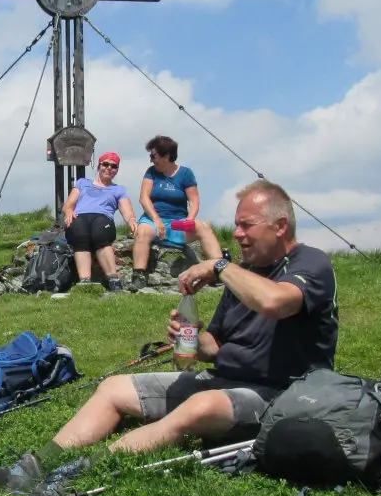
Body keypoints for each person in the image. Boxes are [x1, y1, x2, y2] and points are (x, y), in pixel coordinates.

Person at [32, 180, 337, 457]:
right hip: (222, 381)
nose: (237, 234)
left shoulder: (311, 262)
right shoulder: (244, 273)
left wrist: (219, 266)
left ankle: (90, 466)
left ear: (280, 226)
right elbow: (214, 346)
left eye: (247, 225)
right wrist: (189, 338)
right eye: (236, 225)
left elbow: (275, 303)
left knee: (199, 407)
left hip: (281, 393)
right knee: (113, 388)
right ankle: (35, 465)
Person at [62, 151, 139, 291]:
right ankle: (85, 280)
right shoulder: (82, 183)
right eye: (106, 164)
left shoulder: (118, 190)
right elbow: (69, 205)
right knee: (80, 234)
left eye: (113, 166)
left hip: (102, 218)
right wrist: (68, 211)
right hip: (80, 216)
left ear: (116, 171)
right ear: (99, 166)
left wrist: (132, 221)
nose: (109, 168)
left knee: (99, 232)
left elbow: (127, 211)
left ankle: (113, 279)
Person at [132, 135, 200, 286]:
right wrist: (157, 220)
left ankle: (218, 267)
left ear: (166, 156)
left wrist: (190, 220)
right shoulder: (151, 172)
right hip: (152, 220)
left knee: (204, 228)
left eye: (153, 156)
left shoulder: (186, 173)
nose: (151, 160)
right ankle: (138, 275)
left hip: (177, 221)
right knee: (142, 232)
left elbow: (194, 200)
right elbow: (144, 198)